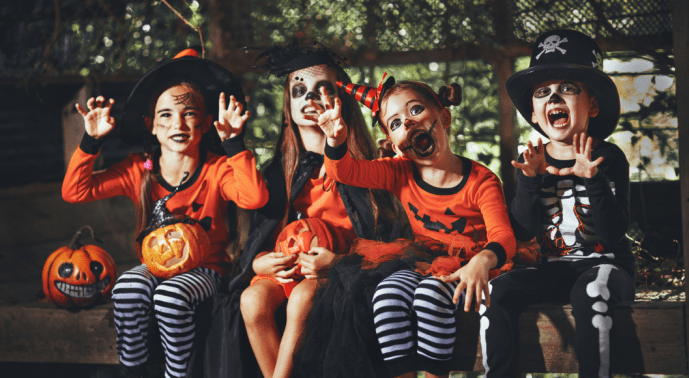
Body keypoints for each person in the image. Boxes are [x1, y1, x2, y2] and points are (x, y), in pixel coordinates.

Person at [184, 41, 408, 378]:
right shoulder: (279, 172)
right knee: (251, 301)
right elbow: (259, 242)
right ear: (288, 104)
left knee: (304, 296)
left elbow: (391, 244)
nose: (310, 99)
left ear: (341, 100)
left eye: (322, 89)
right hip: (288, 270)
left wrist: (338, 263)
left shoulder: (367, 168)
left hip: (343, 270)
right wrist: (261, 261)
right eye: (299, 90)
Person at [62, 50, 269, 378]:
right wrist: (90, 141)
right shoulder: (139, 169)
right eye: (167, 115)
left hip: (209, 270)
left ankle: (177, 374)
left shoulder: (217, 169)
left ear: (203, 124)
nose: (179, 123)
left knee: (171, 296)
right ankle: (134, 371)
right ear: (152, 126)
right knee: (127, 288)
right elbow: (75, 191)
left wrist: (234, 144)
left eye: (189, 114)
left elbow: (255, 198)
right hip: (153, 268)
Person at [311, 75, 516, 378]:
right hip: (422, 259)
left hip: (469, 265)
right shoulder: (399, 172)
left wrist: (482, 261)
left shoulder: (481, 181)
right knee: (386, 296)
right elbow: (344, 171)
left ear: (444, 117)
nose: (405, 123)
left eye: (415, 110)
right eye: (394, 123)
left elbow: (504, 236)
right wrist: (336, 140)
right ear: (394, 145)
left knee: (430, 296)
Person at [479, 29, 635, 377]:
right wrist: (531, 181)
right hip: (554, 270)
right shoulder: (531, 159)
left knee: (593, 289)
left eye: (567, 89)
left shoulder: (608, 157)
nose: (554, 99)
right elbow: (521, 230)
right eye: (543, 93)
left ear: (592, 105)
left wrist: (592, 179)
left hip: (606, 266)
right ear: (534, 114)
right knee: (495, 290)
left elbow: (612, 232)